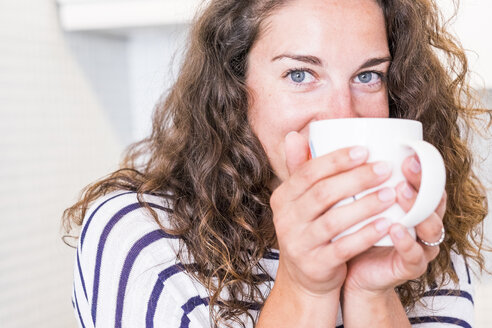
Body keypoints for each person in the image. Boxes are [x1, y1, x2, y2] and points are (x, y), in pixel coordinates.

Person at [62, 0, 491, 327]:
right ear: (234, 86)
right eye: (300, 75)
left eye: (368, 76)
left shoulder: (431, 251)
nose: (342, 114)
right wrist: (304, 290)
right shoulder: (142, 236)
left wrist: (372, 292)